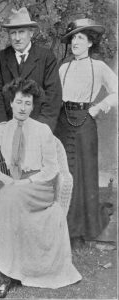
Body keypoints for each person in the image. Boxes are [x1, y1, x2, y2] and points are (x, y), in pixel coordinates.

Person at [0, 78, 82, 298]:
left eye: (28, 103)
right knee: (9, 195)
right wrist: (2, 176)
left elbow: (52, 169)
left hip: (39, 187)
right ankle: (6, 277)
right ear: (11, 103)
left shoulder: (42, 131)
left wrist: (25, 182)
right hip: (14, 188)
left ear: (33, 105)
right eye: (19, 102)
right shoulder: (1, 131)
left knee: (9, 194)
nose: (22, 108)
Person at [54, 19, 117, 248]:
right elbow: (55, 97)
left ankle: (86, 229)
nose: (75, 42)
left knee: (85, 172)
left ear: (90, 42)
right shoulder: (64, 67)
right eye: (73, 38)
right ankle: (65, 228)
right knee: (65, 172)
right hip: (63, 121)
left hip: (85, 122)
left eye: (81, 38)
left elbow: (115, 91)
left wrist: (98, 108)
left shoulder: (98, 67)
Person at [0, 7, 62, 132]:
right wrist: (1, 128)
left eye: (21, 32)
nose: (17, 38)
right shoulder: (0, 59)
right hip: (8, 128)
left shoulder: (46, 57)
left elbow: (53, 95)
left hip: (38, 128)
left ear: (31, 33)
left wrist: (41, 129)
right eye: (13, 33)